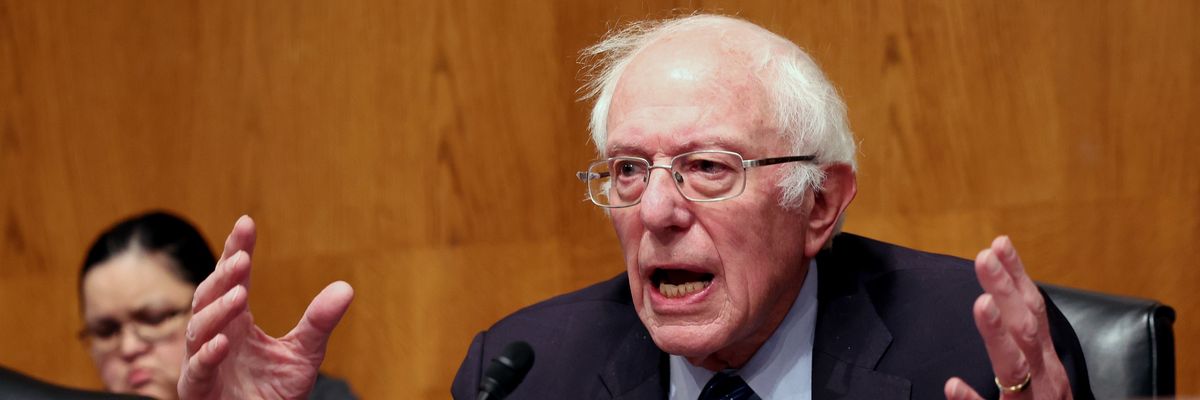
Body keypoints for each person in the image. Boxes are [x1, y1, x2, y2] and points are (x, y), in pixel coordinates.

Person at [450, 14, 1093, 400]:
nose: (655, 211)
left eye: (707, 167)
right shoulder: (527, 374)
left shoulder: (972, 352)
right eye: (628, 170)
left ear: (819, 204)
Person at [78, 211, 357, 399]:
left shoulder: (301, 394)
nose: (128, 349)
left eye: (154, 318)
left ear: (212, 306)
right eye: (105, 331)